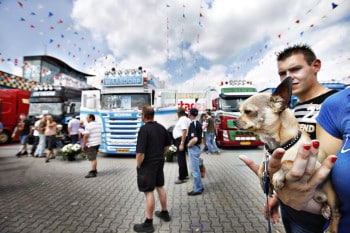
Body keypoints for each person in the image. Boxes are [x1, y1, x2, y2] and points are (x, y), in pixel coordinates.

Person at [241, 44, 339, 233]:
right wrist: (278, 197)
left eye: (295, 69)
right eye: (282, 73)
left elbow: (336, 166)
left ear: (316, 66)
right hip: (292, 211)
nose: (288, 77)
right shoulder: (292, 110)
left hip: (322, 215)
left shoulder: (337, 104)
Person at [134, 106, 171, 232]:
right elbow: (167, 145)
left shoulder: (144, 130)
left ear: (144, 116)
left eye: (141, 115)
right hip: (159, 161)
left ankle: (148, 223)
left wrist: (139, 165)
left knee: (149, 191)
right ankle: (165, 212)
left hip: (147, 164)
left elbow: (140, 153)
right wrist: (161, 154)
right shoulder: (161, 128)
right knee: (160, 186)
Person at [186, 108, 204, 196]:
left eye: (189, 112)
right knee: (196, 169)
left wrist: (188, 145)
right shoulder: (198, 123)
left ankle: (197, 189)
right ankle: (200, 186)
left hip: (193, 148)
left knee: (195, 170)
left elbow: (195, 138)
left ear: (191, 114)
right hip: (198, 147)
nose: (188, 113)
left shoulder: (193, 124)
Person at [172, 107, 190, 184]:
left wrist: (182, 143)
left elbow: (184, 131)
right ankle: (185, 174)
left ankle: (181, 177)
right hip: (180, 139)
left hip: (180, 140)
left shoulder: (183, 119)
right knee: (182, 158)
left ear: (178, 113)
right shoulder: (186, 119)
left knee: (180, 159)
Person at [82, 114, 102, 178]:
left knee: (92, 159)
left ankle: (93, 172)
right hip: (98, 143)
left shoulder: (89, 125)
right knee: (94, 157)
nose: (86, 119)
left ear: (91, 118)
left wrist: (84, 145)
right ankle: (95, 169)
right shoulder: (98, 124)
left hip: (92, 144)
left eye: (87, 118)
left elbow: (86, 136)